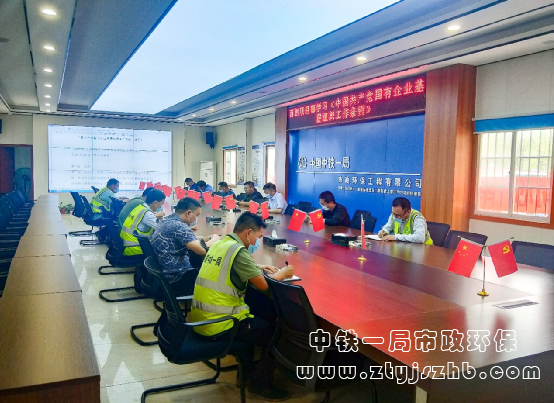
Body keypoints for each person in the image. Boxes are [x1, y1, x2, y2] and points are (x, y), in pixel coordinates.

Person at [191, 212, 294, 401]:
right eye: (258, 237)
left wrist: (256, 267)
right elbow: (264, 285)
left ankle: (245, 375)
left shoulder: (221, 243)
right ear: (248, 233)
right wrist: (284, 272)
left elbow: (231, 264)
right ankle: (260, 384)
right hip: (221, 323)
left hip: (201, 318)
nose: (257, 241)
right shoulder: (238, 252)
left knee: (263, 311)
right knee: (278, 333)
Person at [151, 197, 221, 295]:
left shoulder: (168, 220)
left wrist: (206, 238)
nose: (196, 219)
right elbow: (202, 250)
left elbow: (186, 239)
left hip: (165, 273)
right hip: (177, 278)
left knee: (198, 260)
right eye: (197, 215)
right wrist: (215, 238)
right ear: (188, 213)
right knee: (217, 272)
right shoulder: (178, 226)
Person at [120, 189, 166, 256]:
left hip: (126, 245)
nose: (161, 207)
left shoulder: (139, 208)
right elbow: (163, 229)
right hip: (135, 248)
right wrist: (161, 217)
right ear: (155, 203)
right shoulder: (147, 214)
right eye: (162, 203)